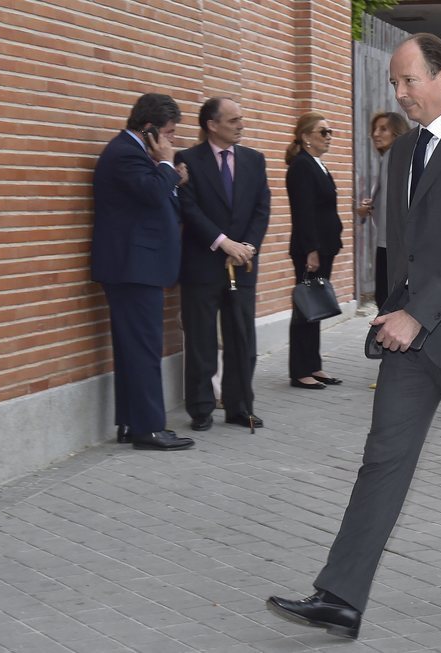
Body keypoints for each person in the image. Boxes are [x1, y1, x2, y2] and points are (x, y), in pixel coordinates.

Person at [266, 33, 441, 638]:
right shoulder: (402, 153)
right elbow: (405, 249)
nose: (399, 93)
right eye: (394, 83)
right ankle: (340, 596)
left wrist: (418, 313)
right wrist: (393, 309)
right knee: (383, 461)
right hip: (410, 340)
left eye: (408, 80)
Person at [90, 93, 194, 451]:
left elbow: (153, 199)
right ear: (150, 130)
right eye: (169, 132)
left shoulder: (136, 154)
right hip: (133, 270)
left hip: (137, 267)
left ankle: (131, 423)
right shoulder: (125, 154)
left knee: (133, 349)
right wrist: (166, 166)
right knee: (144, 349)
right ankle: (149, 429)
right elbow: (151, 194)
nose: (173, 140)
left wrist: (170, 178)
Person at [175, 98, 271, 432]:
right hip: (202, 264)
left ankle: (240, 406)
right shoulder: (187, 160)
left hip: (242, 264)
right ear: (211, 125)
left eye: (241, 119)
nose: (240, 125)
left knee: (242, 339)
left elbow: (262, 208)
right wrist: (222, 242)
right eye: (233, 121)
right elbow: (188, 208)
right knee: (201, 340)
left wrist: (247, 247)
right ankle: (201, 409)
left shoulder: (254, 160)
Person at [285, 112, 344, 389]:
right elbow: (303, 213)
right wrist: (310, 249)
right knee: (305, 307)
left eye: (330, 131)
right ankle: (300, 370)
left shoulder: (316, 164)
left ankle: (314, 364)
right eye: (323, 132)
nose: (329, 136)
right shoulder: (301, 167)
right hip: (312, 250)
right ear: (307, 137)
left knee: (316, 305)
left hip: (324, 247)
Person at [356, 112, 410, 310]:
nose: (376, 134)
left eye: (383, 129)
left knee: (387, 302)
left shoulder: (393, 155)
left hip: (392, 245)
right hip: (391, 242)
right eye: (374, 130)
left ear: (397, 132)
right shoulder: (391, 157)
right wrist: (371, 206)